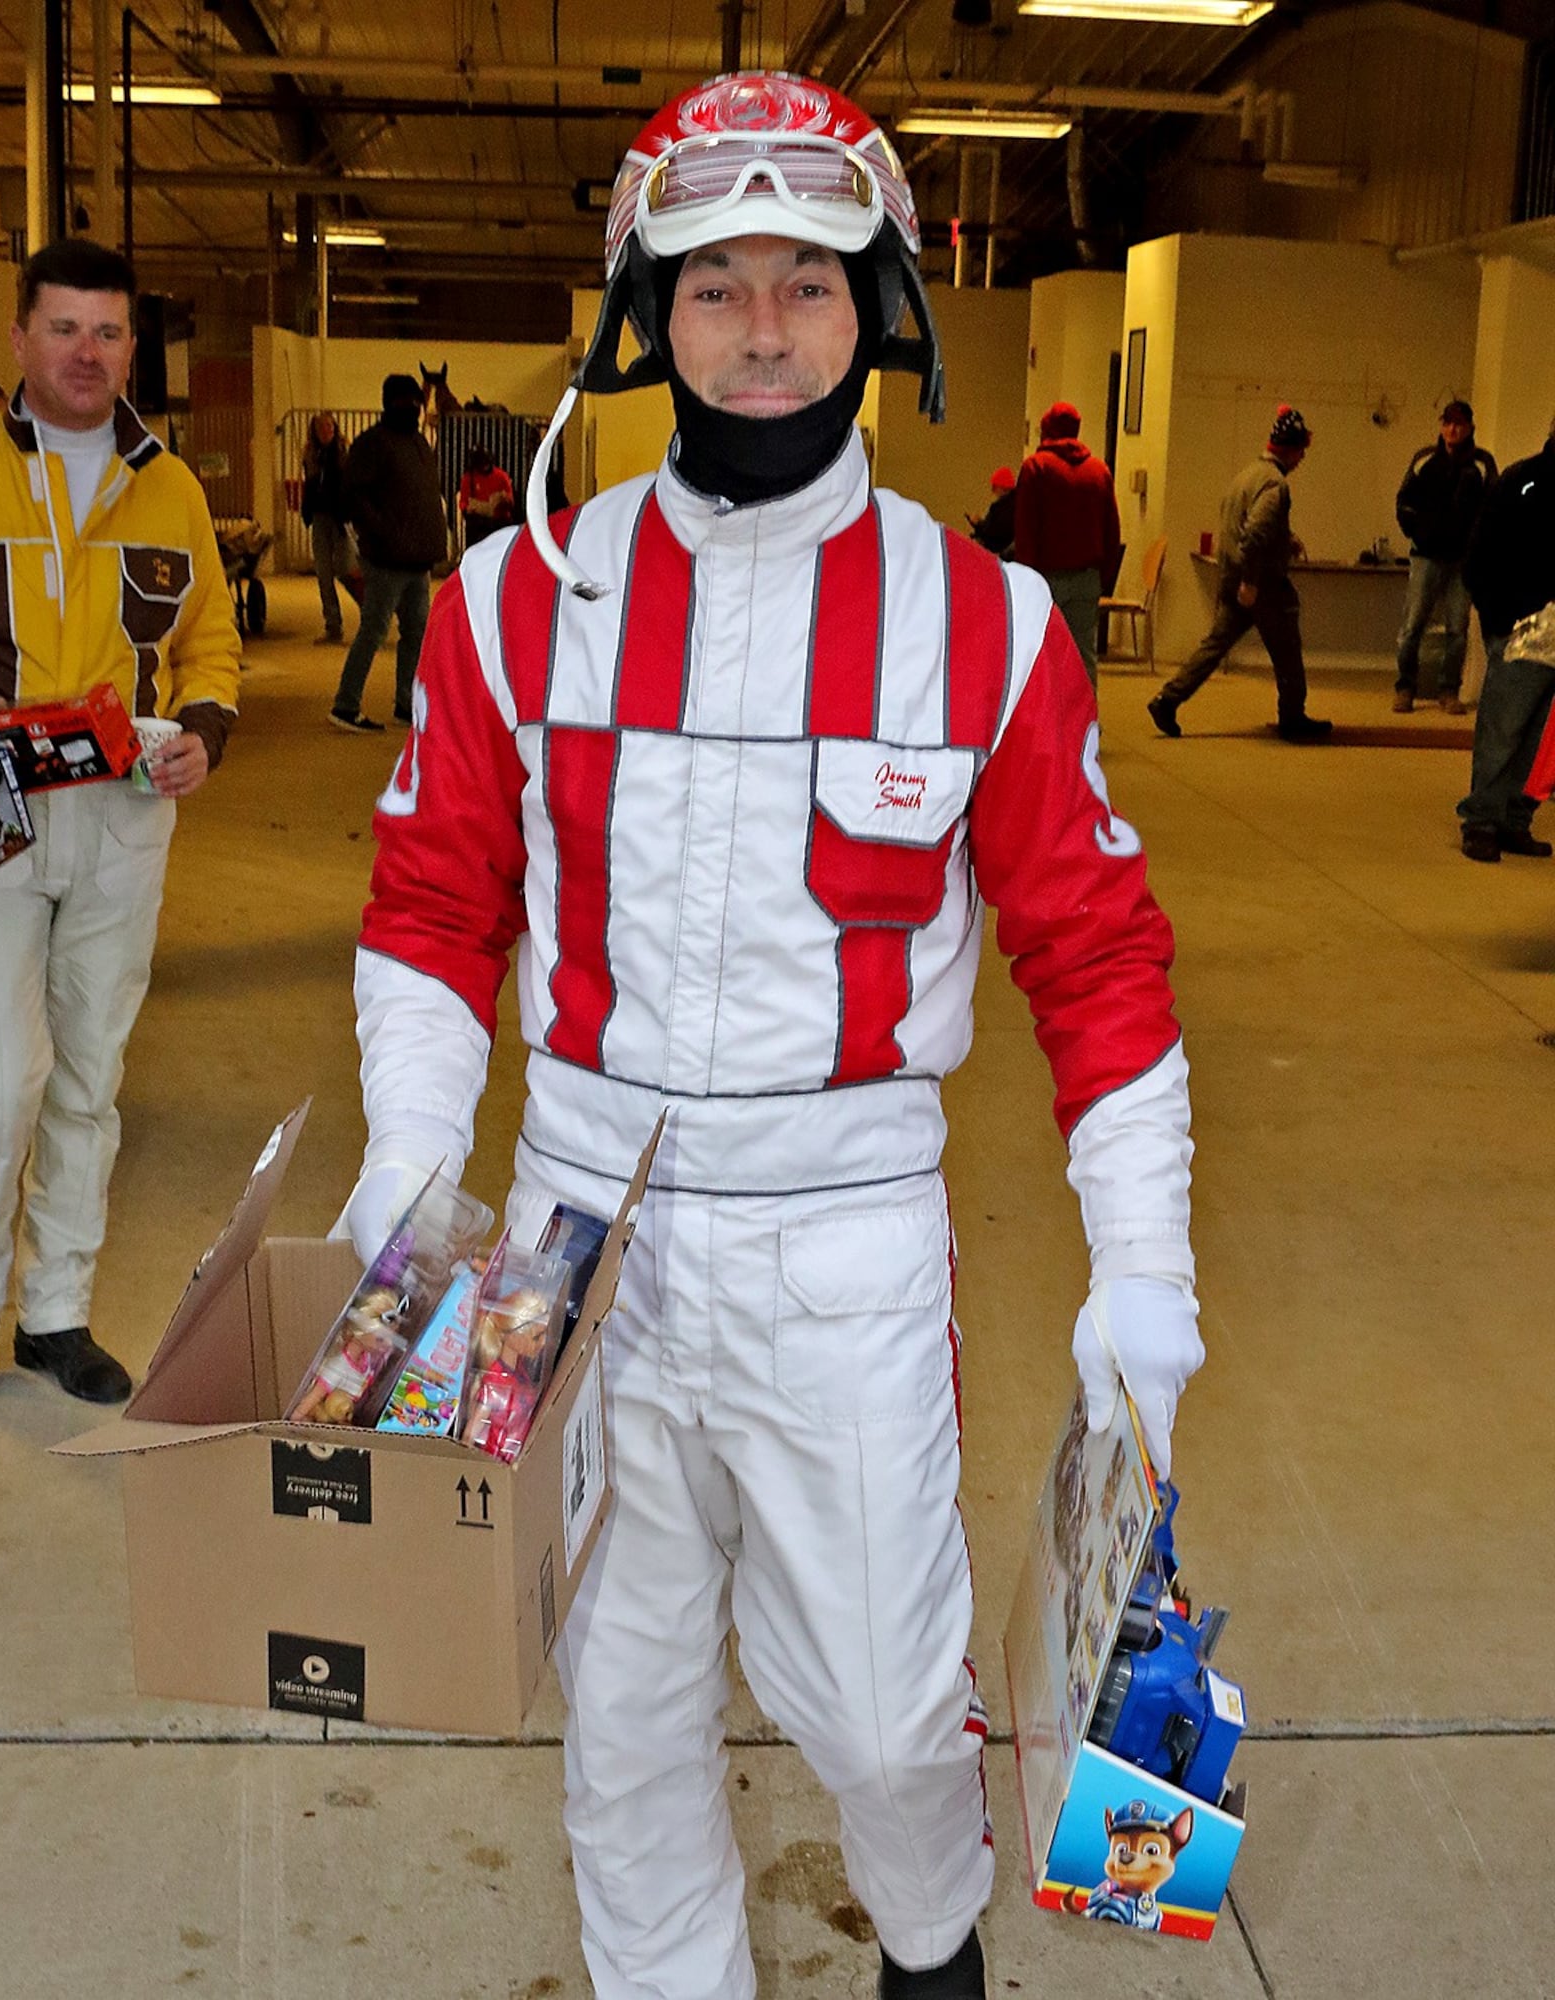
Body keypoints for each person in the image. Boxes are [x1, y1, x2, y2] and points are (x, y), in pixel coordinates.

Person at [335, 71, 1202, 2000]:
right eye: (712, 285)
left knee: (892, 1716)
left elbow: (1098, 958)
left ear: (879, 309)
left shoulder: (984, 625)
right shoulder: (511, 601)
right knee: (624, 1710)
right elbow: (432, 907)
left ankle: (928, 1947)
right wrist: (414, 1165)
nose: (758, 332)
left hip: (846, 1251)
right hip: (576, 1245)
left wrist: (1145, 1262)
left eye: (803, 285)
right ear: (645, 313)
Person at [0, 237, 240, 1424]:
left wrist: (207, 734)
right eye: (64, 327)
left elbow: (211, 643)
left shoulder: (169, 486)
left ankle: (56, 1311)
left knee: (88, 1072)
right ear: (19, 337)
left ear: (134, 346)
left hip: (125, 815)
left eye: (108, 331)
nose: (86, 351)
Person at [1149, 406, 1333, 743]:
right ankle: (1293, 718)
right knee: (1287, 651)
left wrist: (1284, 540)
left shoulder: (1247, 475)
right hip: (1261, 583)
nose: (1302, 458)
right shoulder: (1275, 485)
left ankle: (1167, 699)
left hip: (1232, 575)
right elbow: (1254, 535)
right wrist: (1252, 581)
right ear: (1290, 450)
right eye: (1301, 451)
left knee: (1215, 645)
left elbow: (1243, 526)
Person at [1456, 417, 1555, 863]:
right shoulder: (1523, 481)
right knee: (1504, 727)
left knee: (1536, 735)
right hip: (1518, 625)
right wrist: (1499, 616)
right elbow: (1481, 553)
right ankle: (1481, 821)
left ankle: (1515, 820)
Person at [329, 373, 447, 733]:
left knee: (416, 633)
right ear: (390, 402)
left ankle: (406, 703)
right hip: (386, 559)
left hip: (417, 560)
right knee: (374, 631)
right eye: (405, 401)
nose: (412, 407)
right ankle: (346, 705)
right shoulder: (372, 444)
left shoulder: (418, 443)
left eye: (415, 401)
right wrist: (380, 530)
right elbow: (352, 495)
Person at [1392, 398, 1496, 714]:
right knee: (1413, 626)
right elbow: (1404, 503)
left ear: (1469, 428)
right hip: (1425, 556)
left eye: (1459, 424)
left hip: (1462, 561)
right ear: (1441, 425)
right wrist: (1419, 533)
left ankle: (1449, 690)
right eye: (1448, 423)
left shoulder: (1481, 465)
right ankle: (1405, 687)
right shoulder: (1424, 461)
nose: (1452, 429)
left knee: (1457, 630)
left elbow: (1492, 509)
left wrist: (1477, 547)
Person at [1011, 403, 1121, 685]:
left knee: (1040, 655)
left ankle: (1046, 725)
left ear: (1046, 429)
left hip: (1046, 577)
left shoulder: (1036, 468)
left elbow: (1026, 529)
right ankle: (1087, 724)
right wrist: (1102, 576)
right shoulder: (1099, 471)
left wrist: (1025, 579)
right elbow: (1112, 532)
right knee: (1084, 655)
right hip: (1087, 577)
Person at [300, 411, 360, 645]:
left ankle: (371, 612)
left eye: (330, 427)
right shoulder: (311, 455)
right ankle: (333, 625)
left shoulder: (343, 454)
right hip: (319, 517)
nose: (326, 431)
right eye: (322, 428)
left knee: (346, 569)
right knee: (323, 575)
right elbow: (311, 483)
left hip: (340, 519)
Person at [457, 449, 515, 549]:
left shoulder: (501, 476)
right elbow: (463, 502)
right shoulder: (469, 478)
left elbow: (511, 502)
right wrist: (467, 508)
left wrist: (504, 499)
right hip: (478, 523)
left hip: (499, 522)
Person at [965, 464, 1014, 557]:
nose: (992, 491)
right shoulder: (1018, 504)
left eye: (994, 487)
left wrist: (978, 524)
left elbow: (991, 534)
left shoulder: (999, 508)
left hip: (996, 553)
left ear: (1002, 487)